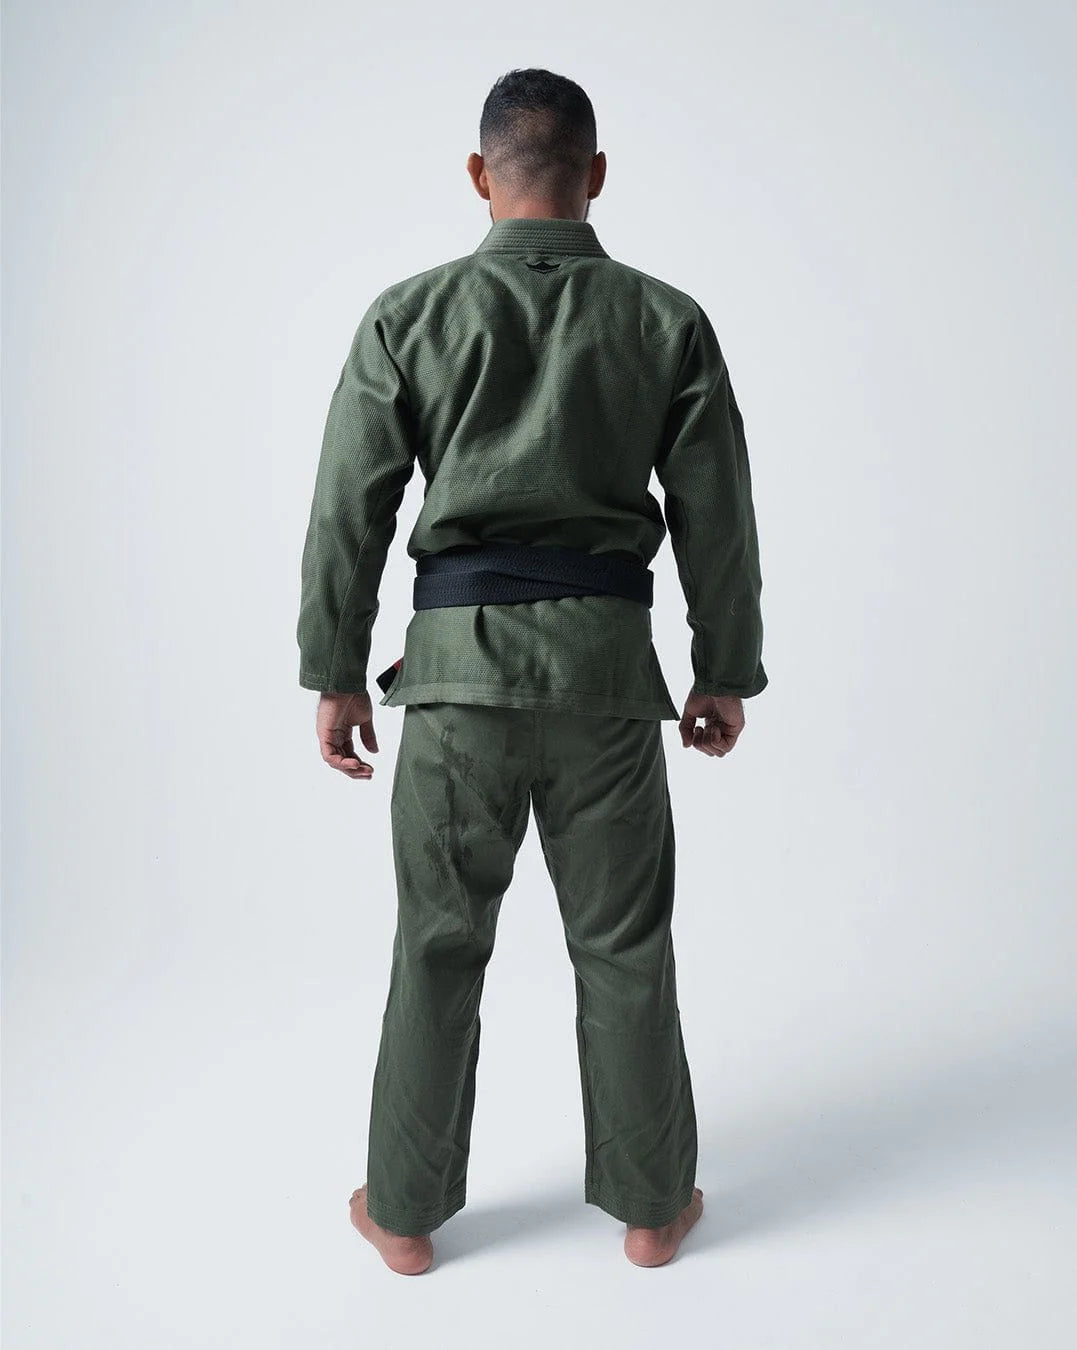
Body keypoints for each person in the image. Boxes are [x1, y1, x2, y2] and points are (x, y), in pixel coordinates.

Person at [296, 67, 767, 1275]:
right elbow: (717, 512)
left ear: (479, 173)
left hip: (453, 687)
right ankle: (653, 1211)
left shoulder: (408, 316)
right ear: (595, 175)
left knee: (437, 945)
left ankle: (404, 1216)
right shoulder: (665, 319)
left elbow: (349, 509)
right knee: (624, 947)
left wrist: (335, 671)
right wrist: (724, 669)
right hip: (607, 684)